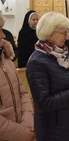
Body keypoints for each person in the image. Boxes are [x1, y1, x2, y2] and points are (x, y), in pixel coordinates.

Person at [26, 11, 69, 141]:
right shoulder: (36, 62)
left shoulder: (63, 55)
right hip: (54, 130)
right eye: (64, 33)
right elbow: (43, 103)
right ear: (50, 34)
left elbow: (63, 85)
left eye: (68, 32)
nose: (67, 37)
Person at [0, 13, 34, 141]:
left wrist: (27, 123)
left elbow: (22, 92)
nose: (3, 35)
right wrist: (21, 133)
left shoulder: (6, 60)